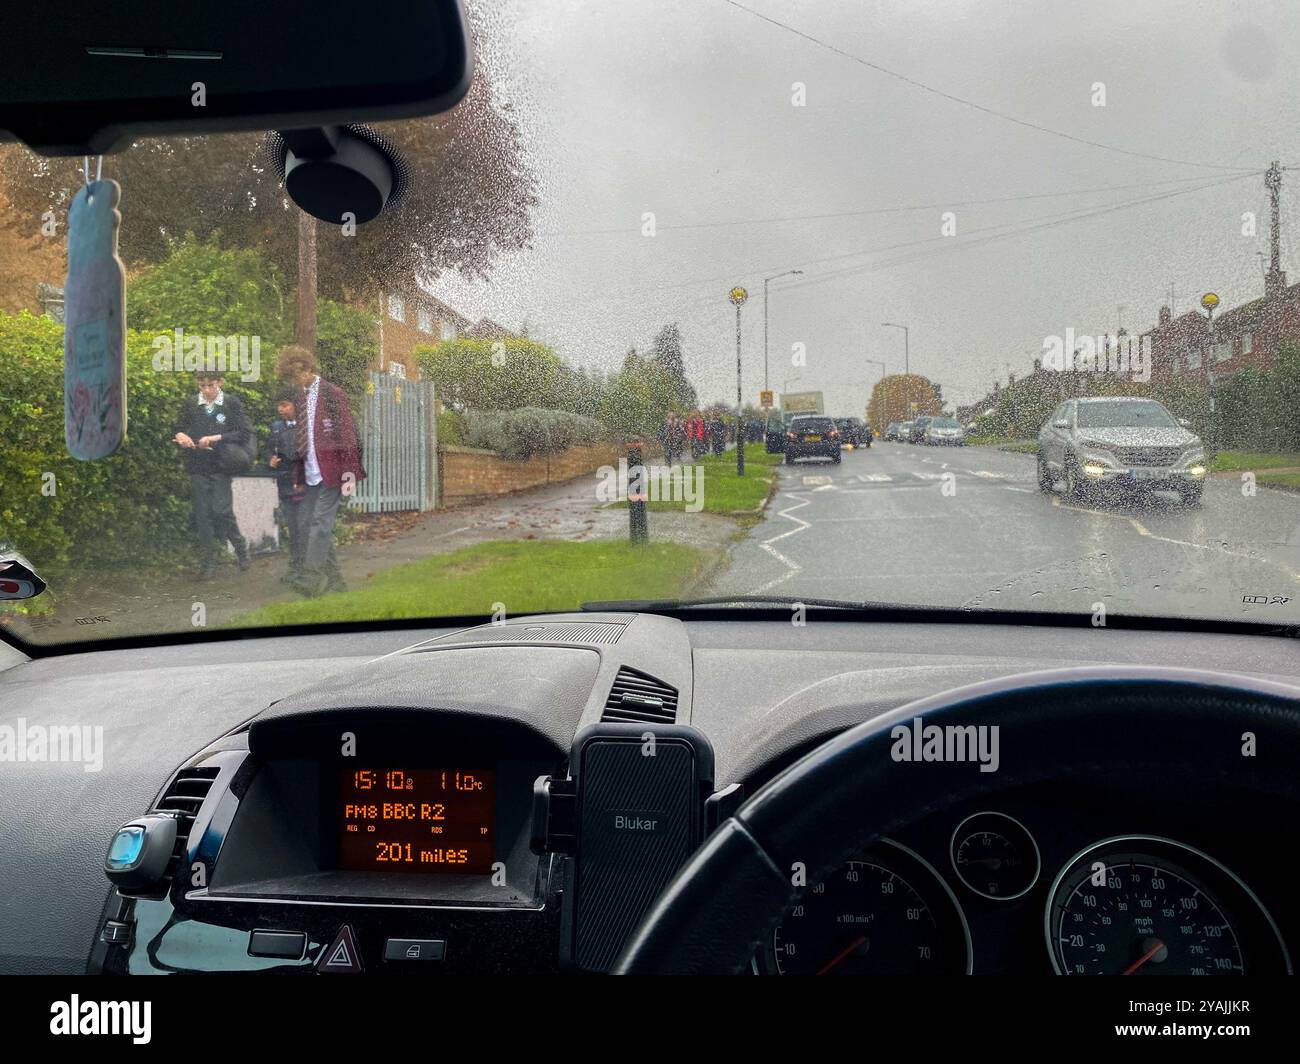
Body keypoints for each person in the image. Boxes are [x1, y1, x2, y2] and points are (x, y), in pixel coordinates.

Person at [276, 345, 366, 597]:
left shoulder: (332, 393)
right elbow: (301, 439)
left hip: (334, 473)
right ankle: (337, 582)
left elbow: (347, 434)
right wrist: (298, 476)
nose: (295, 382)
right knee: (308, 525)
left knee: (319, 524)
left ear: (307, 368)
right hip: (311, 473)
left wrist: (349, 473)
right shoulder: (302, 397)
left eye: (296, 376)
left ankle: (310, 580)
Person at [172, 371, 251, 578]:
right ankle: (207, 564)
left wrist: (215, 437)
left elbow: (243, 433)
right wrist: (182, 436)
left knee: (221, 510)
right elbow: (178, 428)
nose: (206, 390)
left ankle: (241, 549)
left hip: (221, 465)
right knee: (203, 515)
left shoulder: (231, 403)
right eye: (202, 386)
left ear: (220, 382)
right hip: (197, 465)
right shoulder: (191, 404)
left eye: (210, 385)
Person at [268, 388, 306, 583]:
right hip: (284, 485)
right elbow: (269, 450)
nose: (280, 409)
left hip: (303, 485)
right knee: (292, 528)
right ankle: (295, 568)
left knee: (303, 528)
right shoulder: (276, 427)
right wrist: (270, 460)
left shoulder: (305, 427)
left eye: (285, 405)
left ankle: (308, 569)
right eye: (279, 405)